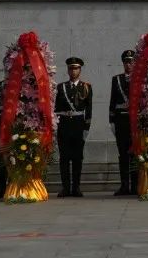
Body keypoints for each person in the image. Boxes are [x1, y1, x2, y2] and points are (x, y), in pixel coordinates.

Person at [54, 56, 92, 197]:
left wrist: (86, 127)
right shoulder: (61, 87)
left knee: (77, 158)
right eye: (71, 68)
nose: (73, 71)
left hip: (78, 125)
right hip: (64, 124)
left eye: (76, 68)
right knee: (64, 158)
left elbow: (89, 109)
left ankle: (76, 187)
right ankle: (65, 188)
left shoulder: (86, 87)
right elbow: (56, 108)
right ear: (68, 70)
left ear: (80, 70)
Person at [109, 49, 137, 196]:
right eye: (126, 62)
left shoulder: (139, 79)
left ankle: (135, 186)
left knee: (135, 153)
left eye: (131, 61)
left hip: (134, 122)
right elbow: (112, 101)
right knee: (123, 154)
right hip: (120, 120)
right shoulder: (116, 79)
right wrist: (111, 120)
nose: (129, 64)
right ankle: (124, 185)